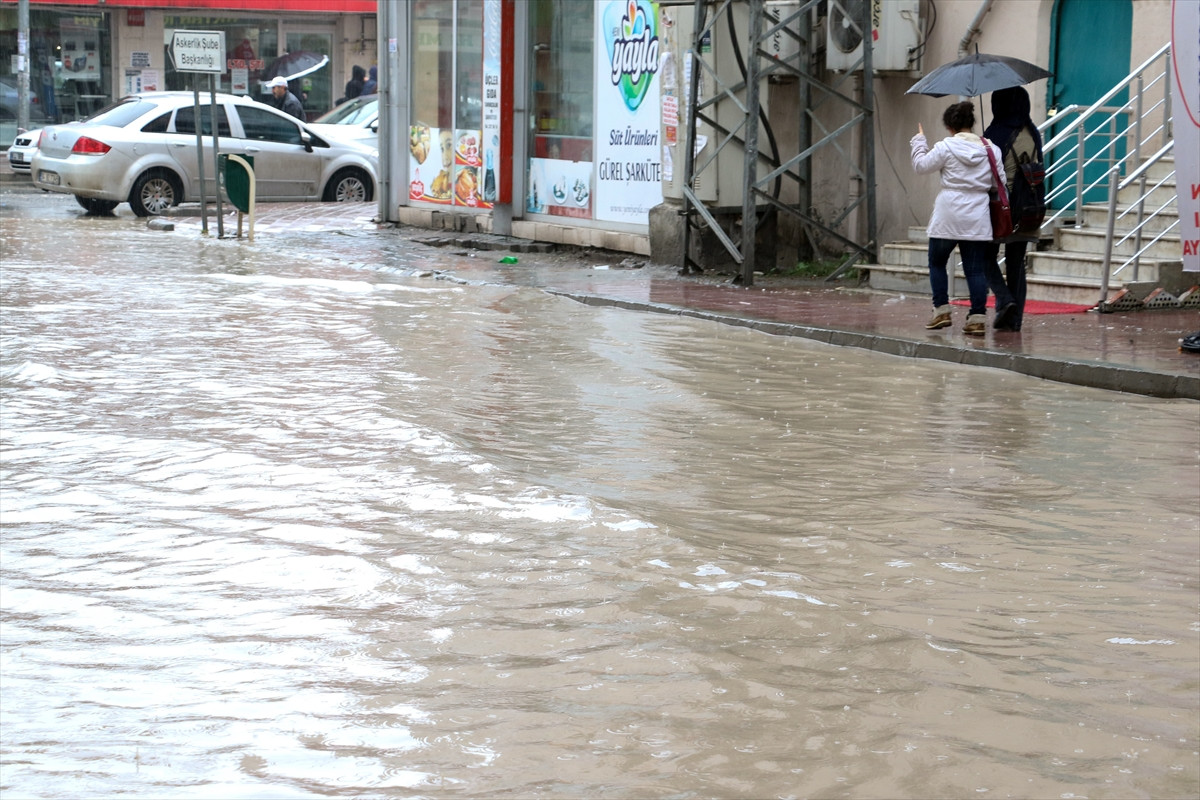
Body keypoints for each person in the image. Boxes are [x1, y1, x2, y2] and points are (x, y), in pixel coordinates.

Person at [910, 100, 1015, 336]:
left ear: (950, 127)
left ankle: (941, 311)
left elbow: (920, 166)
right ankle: (977, 318)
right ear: (972, 123)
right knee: (975, 270)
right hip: (977, 215)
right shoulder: (991, 149)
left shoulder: (945, 146)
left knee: (937, 262)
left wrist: (919, 141)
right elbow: (998, 183)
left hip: (948, 214)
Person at [983, 86, 1043, 331]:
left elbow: (986, 171)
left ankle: (1004, 299)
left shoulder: (996, 133)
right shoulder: (1033, 131)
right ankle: (1014, 321)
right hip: (1030, 206)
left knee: (984, 256)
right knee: (1017, 263)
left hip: (1003, 207)